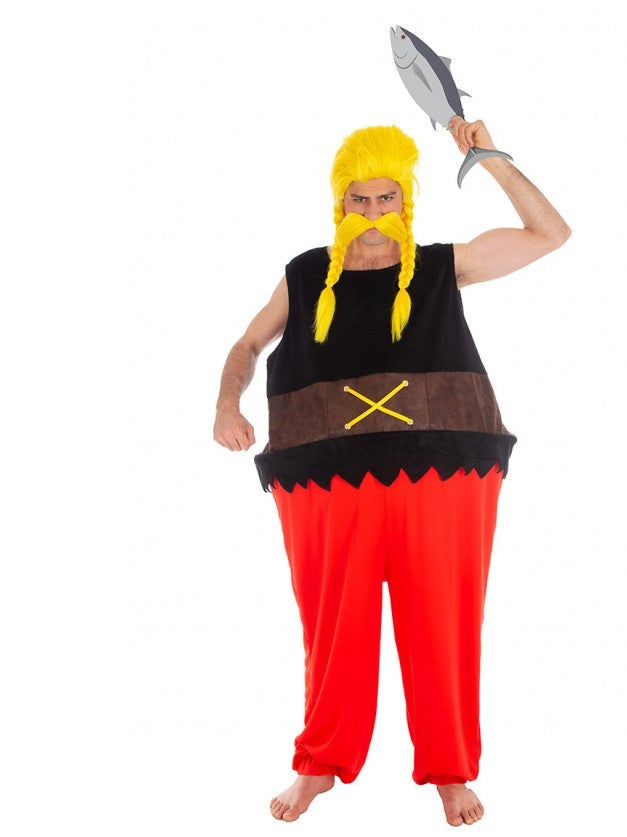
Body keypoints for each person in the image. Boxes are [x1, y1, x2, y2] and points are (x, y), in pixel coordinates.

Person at [213, 117, 570, 826]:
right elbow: (248, 343)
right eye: (360, 199)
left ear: (405, 200)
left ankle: (449, 769)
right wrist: (228, 402)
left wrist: (489, 158)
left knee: (443, 623)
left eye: (386, 198)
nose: (373, 213)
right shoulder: (305, 274)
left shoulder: (442, 266)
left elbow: (549, 234)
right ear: (340, 204)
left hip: (440, 473)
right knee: (332, 626)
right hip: (324, 475)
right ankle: (320, 762)